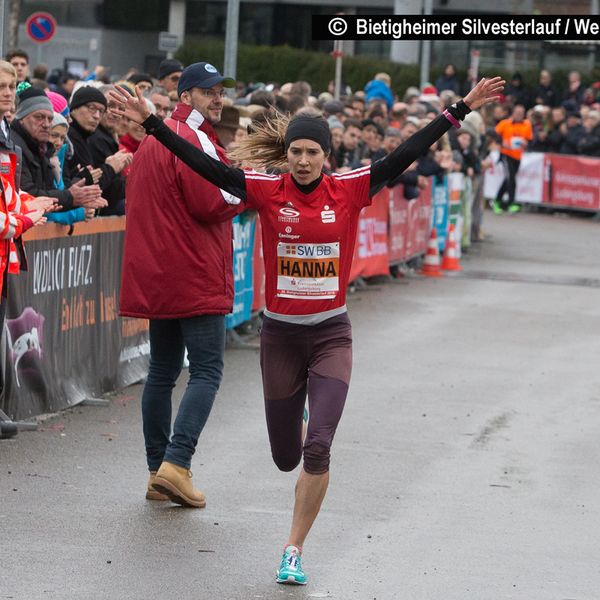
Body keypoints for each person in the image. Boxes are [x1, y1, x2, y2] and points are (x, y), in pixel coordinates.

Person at [111, 74, 504, 585]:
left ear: (326, 155)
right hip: (280, 339)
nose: (301, 161)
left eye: (312, 152)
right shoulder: (266, 191)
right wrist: (153, 125)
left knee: (318, 447)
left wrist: (460, 108)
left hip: (330, 336)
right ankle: (296, 412)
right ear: (286, 154)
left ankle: (293, 550)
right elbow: (204, 166)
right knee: (285, 456)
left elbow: (407, 151)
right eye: (294, 151)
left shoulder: (350, 189)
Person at [117, 61, 242, 509]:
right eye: (209, 92)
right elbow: (214, 199)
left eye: (220, 92)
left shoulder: (158, 137)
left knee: (163, 372)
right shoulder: (194, 138)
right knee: (207, 370)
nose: (219, 98)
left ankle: (157, 472)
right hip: (192, 270)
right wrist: (245, 186)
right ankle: (176, 463)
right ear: (186, 96)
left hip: (161, 272)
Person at [493, 103, 532, 214]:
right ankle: (511, 202)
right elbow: (493, 134)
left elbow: (529, 140)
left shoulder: (527, 125)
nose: (519, 115)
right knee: (511, 179)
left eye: (521, 113)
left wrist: (525, 144)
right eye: (517, 113)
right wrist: (502, 143)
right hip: (506, 154)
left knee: (508, 179)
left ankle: (497, 201)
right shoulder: (505, 123)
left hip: (517, 156)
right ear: (513, 113)